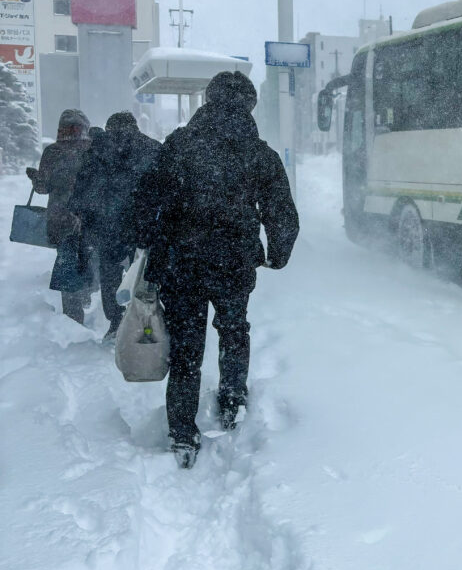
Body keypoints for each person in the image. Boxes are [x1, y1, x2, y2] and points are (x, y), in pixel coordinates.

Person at [134, 70, 299, 468]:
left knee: (187, 347)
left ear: (209, 100)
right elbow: (282, 214)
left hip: (182, 262)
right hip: (233, 261)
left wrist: (147, 239)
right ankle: (232, 402)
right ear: (249, 105)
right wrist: (276, 253)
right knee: (233, 329)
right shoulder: (260, 154)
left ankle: (182, 433)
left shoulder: (179, 144)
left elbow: (146, 199)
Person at [70, 112, 161, 341]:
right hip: (144, 225)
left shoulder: (97, 149)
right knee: (142, 273)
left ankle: (116, 321)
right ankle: (144, 323)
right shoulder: (153, 148)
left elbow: (83, 187)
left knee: (110, 274)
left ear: (109, 127)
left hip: (107, 224)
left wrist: (83, 212)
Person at [27, 109, 92, 324]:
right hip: (88, 218)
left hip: (61, 219)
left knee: (67, 262)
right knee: (89, 258)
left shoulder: (52, 152)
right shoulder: (92, 149)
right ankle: (87, 298)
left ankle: (73, 317)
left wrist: (35, 177)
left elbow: (43, 187)